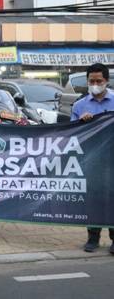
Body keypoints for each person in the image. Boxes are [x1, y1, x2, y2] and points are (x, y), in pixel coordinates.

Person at [71, 63, 114, 254]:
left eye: (99, 81)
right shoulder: (80, 105)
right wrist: (81, 123)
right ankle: (93, 237)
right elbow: (70, 134)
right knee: (93, 198)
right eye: (91, 81)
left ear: (107, 81)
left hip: (112, 158)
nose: (95, 84)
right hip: (91, 159)